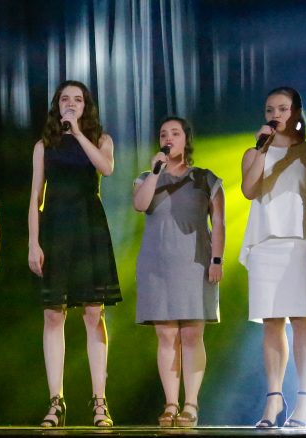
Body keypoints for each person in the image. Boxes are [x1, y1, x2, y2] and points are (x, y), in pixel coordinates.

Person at [240, 87, 306, 428]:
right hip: (265, 242)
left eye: (282, 108)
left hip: (302, 242)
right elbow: (249, 190)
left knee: (302, 319)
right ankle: (273, 398)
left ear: (296, 112)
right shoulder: (255, 153)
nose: (275, 114)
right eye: (270, 109)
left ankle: (305, 398)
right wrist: (260, 151)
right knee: (271, 322)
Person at [27, 80, 120, 427]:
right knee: (54, 315)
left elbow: (107, 169)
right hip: (54, 229)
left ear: (86, 106)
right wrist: (33, 242)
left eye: (77, 100)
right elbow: (35, 196)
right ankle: (56, 401)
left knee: (94, 313)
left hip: (89, 228)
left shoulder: (100, 140)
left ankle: (100, 401)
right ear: (56, 106)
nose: (71, 104)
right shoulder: (44, 145)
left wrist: (78, 133)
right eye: (65, 99)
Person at [132, 116, 224, 428]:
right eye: (163, 134)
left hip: (196, 262)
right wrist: (155, 174)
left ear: (186, 139)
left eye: (175, 133)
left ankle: (191, 404)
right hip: (157, 264)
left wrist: (217, 259)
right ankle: (170, 403)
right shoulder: (147, 177)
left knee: (192, 333)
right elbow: (141, 205)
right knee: (166, 334)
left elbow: (219, 223)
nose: (168, 137)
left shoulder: (206, 178)